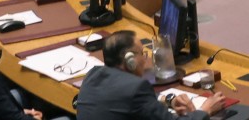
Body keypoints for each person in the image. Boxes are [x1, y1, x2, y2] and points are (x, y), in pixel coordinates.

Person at [75, 29, 226, 120]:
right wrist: (205, 110)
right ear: (130, 60)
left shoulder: (92, 75)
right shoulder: (136, 88)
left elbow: (127, 103)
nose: (146, 59)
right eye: (142, 54)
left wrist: (169, 101)